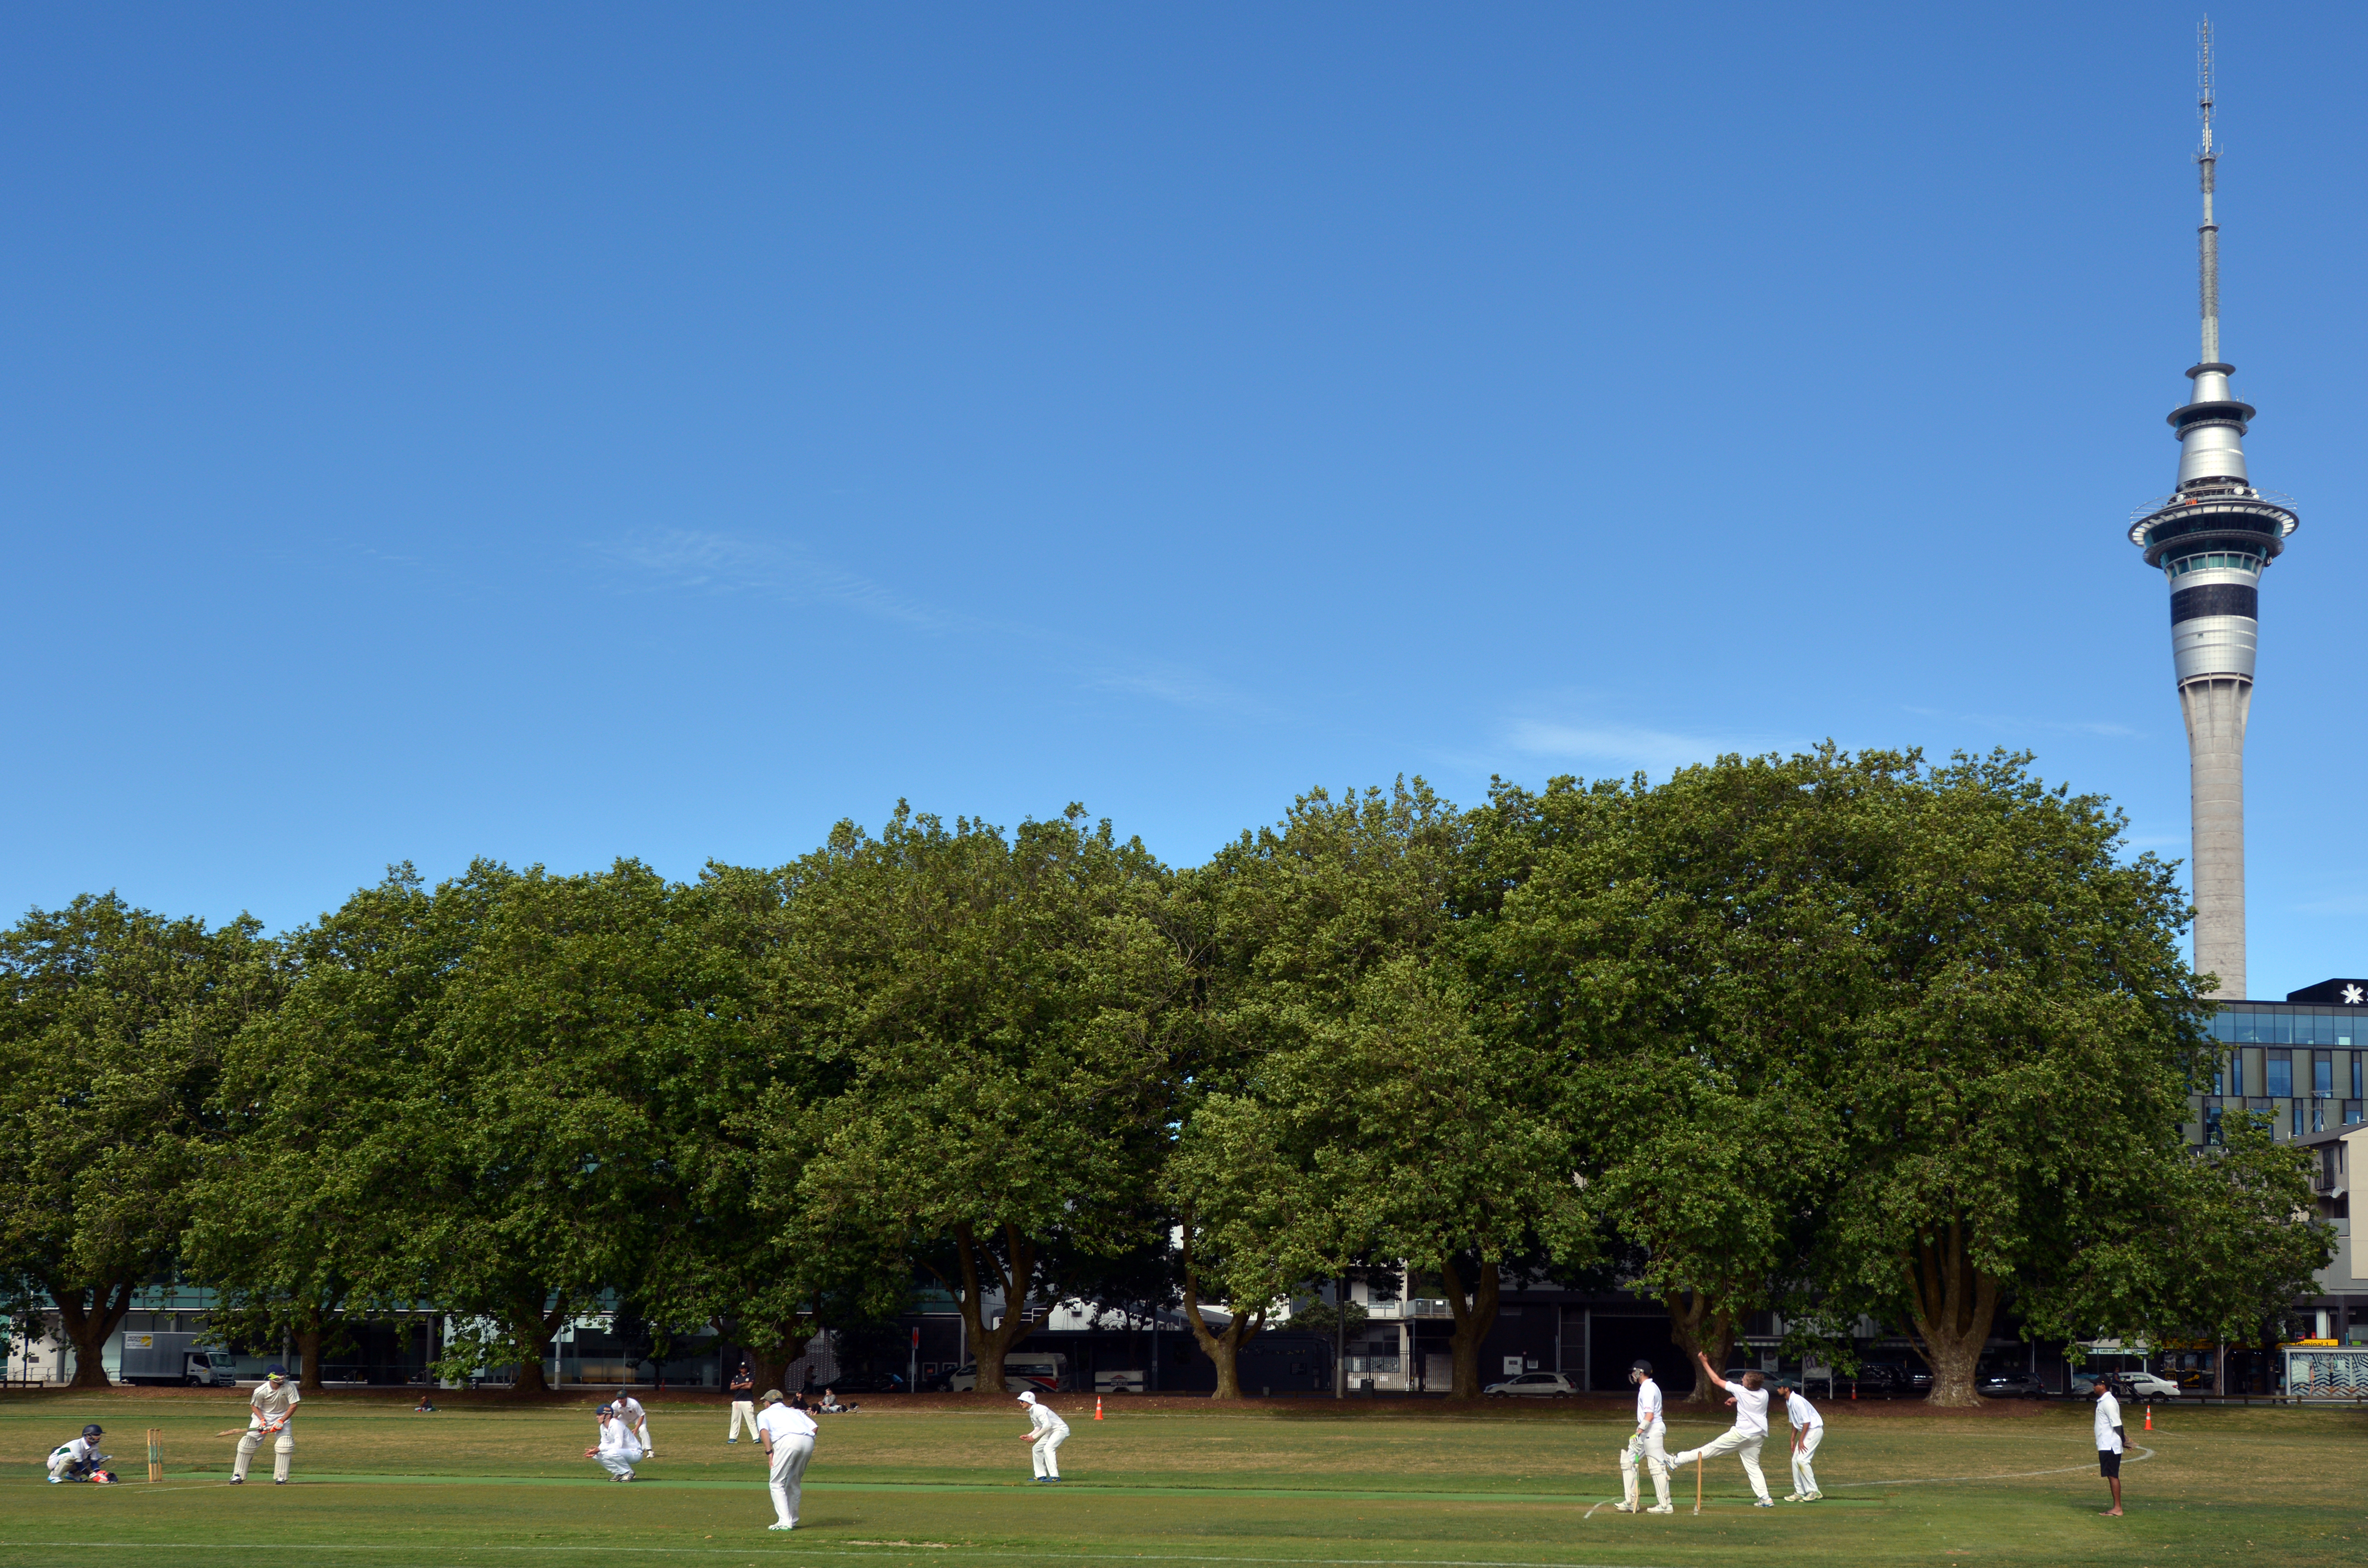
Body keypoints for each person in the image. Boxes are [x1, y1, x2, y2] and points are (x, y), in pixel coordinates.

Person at [1667, 1350, 1775, 1507]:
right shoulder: (1764, 1394)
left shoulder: (1741, 1391)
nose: (1741, 1381)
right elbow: (1750, 1399)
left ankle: (1676, 1461)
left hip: (1740, 1435)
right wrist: (1736, 1399)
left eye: (1743, 1380)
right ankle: (1766, 1498)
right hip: (1757, 1437)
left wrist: (1704, 1362)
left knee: (1708, 1450)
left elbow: (1716, 1380)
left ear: (1750, 1385)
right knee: (1753, 1467)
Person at [1614, 1358, 1674, 1514]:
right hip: (1647, 1431)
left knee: (1657, 1467)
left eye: (1634, 1372)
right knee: (1628, 1461)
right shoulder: (1652, 1387)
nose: (1633, 1375)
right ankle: (1631, 1501)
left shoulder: (1648, 1389)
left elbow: (1650, 1415)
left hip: (1651, 1431)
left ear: (1640, 1373)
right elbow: (1660, 1411)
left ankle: (1666, 1505)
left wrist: (1637, 1433)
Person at [757, 1389, 819, 1530]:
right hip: (808, 1440)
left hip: (788, 1441)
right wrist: (805, 1439)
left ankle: (785, 1522)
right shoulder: (795, 1411)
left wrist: (769, 1452)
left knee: (776, 1482)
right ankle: (793, 1519)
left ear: (767, 1403)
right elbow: (814, 1427)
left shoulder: (764, 1414)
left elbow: (764, 1432)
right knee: (794, 1481)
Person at [231, 1364, 301, 1485]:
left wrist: (281, 1421)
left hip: (283, 1416)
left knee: (285, 1444)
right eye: (280, 1375)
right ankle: (238, 1475)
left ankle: (281, 1477)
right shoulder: (260, 1391)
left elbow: (293, 1406)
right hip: (263, 1416)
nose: (283, 1377)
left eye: (283, 1374)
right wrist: (263, 1421)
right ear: (271, 1376)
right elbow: (255, 1406)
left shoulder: (289, 1387)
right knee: (247, 1443)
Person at [1778, 1379, 1824, 1501]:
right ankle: (1800, 1492)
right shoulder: (1789, 1402)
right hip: (1808, 1431)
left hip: (1814, 1430)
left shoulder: (1797, 1401)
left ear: (1786, 1389)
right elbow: (1795, 1422)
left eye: (1780, 1387)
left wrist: (1801, 1439)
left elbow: (1807, 1421)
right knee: (1795, 1461)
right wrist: (1792, 1439)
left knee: (1802, 1460)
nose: (1778, 1389)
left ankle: (1814, 1491)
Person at [2091, 1376, 2126, 1516]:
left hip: (2110, 1446)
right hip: (2106, 1445)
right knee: (2111, 1475)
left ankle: (2118, 1508)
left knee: (2113, 1475)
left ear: (2103, 1386)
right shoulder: (2104, 1401)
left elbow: (2117, 1424)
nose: (2094, 1387)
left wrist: (2123, 1441)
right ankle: (2116, 1507)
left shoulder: (2108, 1403)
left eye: (2096, 1385)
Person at [1017, 1389, 1069, 1482]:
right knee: (1036, 1449)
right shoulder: (1032, 1411)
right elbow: (1038, 1427)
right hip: (1051, 1432)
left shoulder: (1039, 1409)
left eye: (1022, 1401)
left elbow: (1047, 1426)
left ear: (1029, 1401)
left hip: (1060, 1430)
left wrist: (1034, 1437)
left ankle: (1055, 1477)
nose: (1020, 1403)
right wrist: (1029, 1435)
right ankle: (1041, 1476)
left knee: (1048, 1449)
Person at [587, 1403, 642, 1481]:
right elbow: (605, 1443)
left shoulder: (616, 1425)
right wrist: (596, 1451)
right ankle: (619, 1473)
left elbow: (618, 1445)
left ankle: (629, 1472)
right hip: (622, 1452)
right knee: (597, 1455)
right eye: (597, 1415)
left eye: (600, 1414)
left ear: (608, 1416)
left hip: (635, 1453)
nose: (597, 1417)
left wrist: (600, 1449)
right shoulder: (603, 1427)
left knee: (611, 1453)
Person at [47, 1424, 114, 1483]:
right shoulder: (76, 1445)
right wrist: (92, 1476)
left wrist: (99, 1473)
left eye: (99, 1435)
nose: (99, 1437)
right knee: (70, 1457)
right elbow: (79, 1465)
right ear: (87, 1436)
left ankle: (73, 1475)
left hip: (72, 1463)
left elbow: (94, 1462)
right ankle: (54, 1476)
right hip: (54, 1462)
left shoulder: (95, 1446)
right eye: (96, 1435)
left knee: (99, 1457)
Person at [615, 1386, 655, 1458]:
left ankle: (649, 1451)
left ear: (626, 1398)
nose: (620, 1400)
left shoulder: (634, 1403)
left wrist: (636, 1429)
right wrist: (617, 1426)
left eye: (622, 1398)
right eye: (619, 1398)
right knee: (616, 1429)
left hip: (638, 1418)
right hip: (625, 1418)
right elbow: (614, 1417)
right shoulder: (615, 1405)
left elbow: (642, 1416)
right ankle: (618, 1449)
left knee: (643, 1430)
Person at [727, 1360, 759, 1445]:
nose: (743, 1369)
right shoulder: (737, 1377)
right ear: (740, 1369)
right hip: (737, 1401)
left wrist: (739, 1386)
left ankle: (756, 1437)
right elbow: (732, 1387)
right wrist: (742, 1385)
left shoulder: (751, 1376)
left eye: (745, 1368)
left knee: (751, 1419)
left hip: (747, 1400)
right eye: (742, 1368)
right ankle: (733, 1438)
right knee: (735, 1420)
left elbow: (749, 1386)